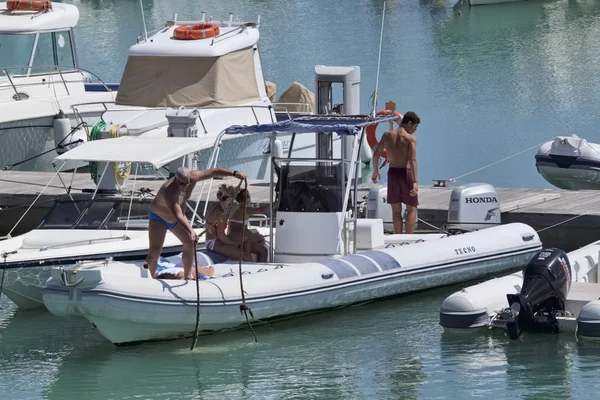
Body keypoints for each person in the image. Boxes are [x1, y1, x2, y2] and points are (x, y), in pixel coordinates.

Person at [145, 167, 247, 280]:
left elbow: (214, 172)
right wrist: (191, 230)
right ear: (176, 179)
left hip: (175, 220)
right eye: (182, 184)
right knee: (155, 252)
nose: (184, 186)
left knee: (190, 242)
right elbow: (178, 215)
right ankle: (149, 279)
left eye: (186, 183)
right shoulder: (168, 191)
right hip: (159, 218)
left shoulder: (193, 177)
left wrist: (234, 173)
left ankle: (188, 276)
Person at [371, 111, 420, 234]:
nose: (415, 130)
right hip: (406, 173)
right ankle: (408, 238)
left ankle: (398, 237)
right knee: (412, 209)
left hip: (392, 174)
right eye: (415, 127)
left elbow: (376, 155)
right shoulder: (410, 139)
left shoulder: (387, 135)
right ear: (409, 123)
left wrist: (375, 171)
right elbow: (413, 160)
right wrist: (415, 181)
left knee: (396, 210)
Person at [204, 184, 253, 261]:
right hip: (214, 243)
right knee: (246, 257)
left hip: (213, 240)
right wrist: (233, 244)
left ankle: (246, 253)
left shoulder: (215, 205)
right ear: (228, 198)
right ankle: (247, 259)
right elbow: (221, 236)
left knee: (247, 234)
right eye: (233, 198)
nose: (233, 200)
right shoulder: (220, 212)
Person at [228, 189, 271, 262]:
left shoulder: (234, 207)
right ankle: (259, 262)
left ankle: (254, 253)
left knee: (260, 238)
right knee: (264, 251)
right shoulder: (245, 209)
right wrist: (275, 203)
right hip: (242, 239)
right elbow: (262, 210)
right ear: (247, 198)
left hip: (233, 236)